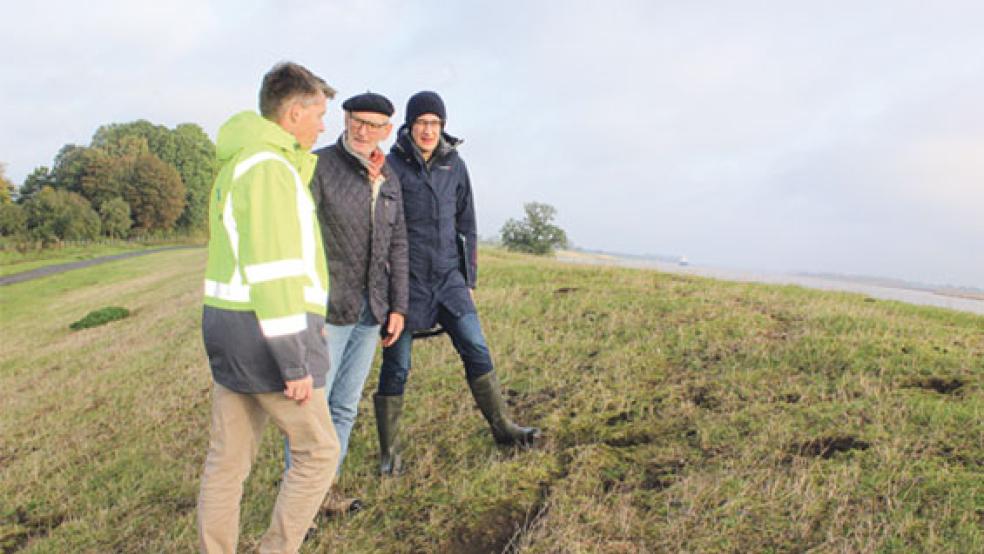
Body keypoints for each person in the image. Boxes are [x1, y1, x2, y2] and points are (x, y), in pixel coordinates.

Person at [197, 61, 339, 554]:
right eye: (320, 114)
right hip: (267, 338)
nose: (324, 125)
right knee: (320, 452)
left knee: (227, 461)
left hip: (228, 330)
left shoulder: (238, 163)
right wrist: (294, 360)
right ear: (294, 113)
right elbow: (274, 271)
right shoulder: (271, 169)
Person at [374, 91, 541, 475]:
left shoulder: (456, 165)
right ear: (410, 126)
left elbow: (467, 224)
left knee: (477, 348)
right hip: (406, 282)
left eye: (435, 123)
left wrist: (468, 278)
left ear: (443, 127)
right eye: (422, 123)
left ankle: (503, 428)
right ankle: (390, 454)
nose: (428, 130)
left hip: (449, 278)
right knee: (396, 367)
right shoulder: (392, 166)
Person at [283, 92, 408, 514]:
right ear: (346, 119)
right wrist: (305, 307)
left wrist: (398, 306)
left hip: (371, 311)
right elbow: (296, 237)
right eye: (358, 121)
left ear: (387, 131)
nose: (364, 131)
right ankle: (300, 505)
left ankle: (322, 493)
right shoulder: (318, 165)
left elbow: (399, 244)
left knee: (344, 407)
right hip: (326, 311)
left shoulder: (389, 178)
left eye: (374, 125)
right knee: (310, 412)